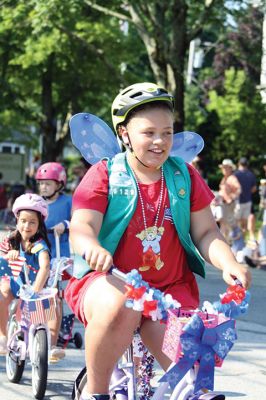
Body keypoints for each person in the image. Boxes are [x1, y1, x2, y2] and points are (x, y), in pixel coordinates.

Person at [65, 82, 251, 400]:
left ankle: (189, 391)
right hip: (110, 283)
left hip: (169, 290)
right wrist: (91, 247)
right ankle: (96, 392)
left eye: (167, 132)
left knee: (192, 355)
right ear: (124, 133)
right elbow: (82, 226)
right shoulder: (106, 174)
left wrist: (229, 262)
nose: (160, 141)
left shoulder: (184, 176)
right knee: (122, 306)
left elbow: (207, 232)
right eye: (148, 132)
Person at [0, 193, 51, 354]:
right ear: (17, 220)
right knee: (3, 293)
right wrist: (9, 255)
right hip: (16, 283)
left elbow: (45, 267)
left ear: (39, 225)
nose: (26, 226)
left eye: (32, 222)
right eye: (23, 221)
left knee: (52, 305)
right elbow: (2, 259)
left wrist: (35, 291)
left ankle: (52, 342)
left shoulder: (39, 245)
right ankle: (2, 335)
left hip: (35, 287)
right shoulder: (11, 240)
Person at [35, 162, 72, 361]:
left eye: (48, 184)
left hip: (60, 254)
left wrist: (65, 224)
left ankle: (53, 341)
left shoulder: (67, 202)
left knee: (56, 296)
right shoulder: (36, 202)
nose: (44, 188)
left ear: (59, 184)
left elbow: (80, 220)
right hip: (39, 253)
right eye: (41, 184)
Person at [218, 159, 241, 242]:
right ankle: (227, 242)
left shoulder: (232, 178)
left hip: (229, 205)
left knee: (230, 224)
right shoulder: (224, 178)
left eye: (226, 168)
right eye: (223, 168)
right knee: (224, 224)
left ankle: (232, 242)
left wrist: (231, 197)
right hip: (224, 204)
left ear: (230, 168)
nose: (224, 169)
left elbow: (239, 189)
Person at [234, 157, 257, 237]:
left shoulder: (235, 174)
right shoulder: (251, 174)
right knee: (244, 222)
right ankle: (243, 240)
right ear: (247, 164)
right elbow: (254, 189)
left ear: (239, 164)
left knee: (237, 222)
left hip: (238, 202)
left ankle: (238, 240)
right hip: (248, 201)